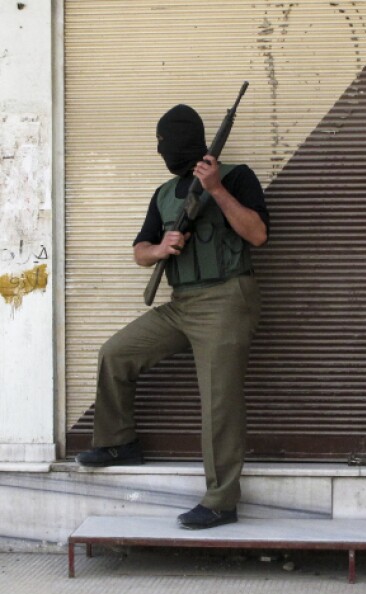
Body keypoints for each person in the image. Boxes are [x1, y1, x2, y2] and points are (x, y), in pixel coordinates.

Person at [76, 104, 269, 531]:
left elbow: (257, 234)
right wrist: (160, 248)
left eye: (165, 140)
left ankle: (221, 500)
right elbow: (139, 251)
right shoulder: (165, 193)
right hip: (182, 304)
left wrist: (216, 189)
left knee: (219, 402)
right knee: (116, 353)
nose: (161, 147)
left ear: (187, 138)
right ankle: (117, 442)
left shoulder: (235, 176)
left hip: (227, 298)